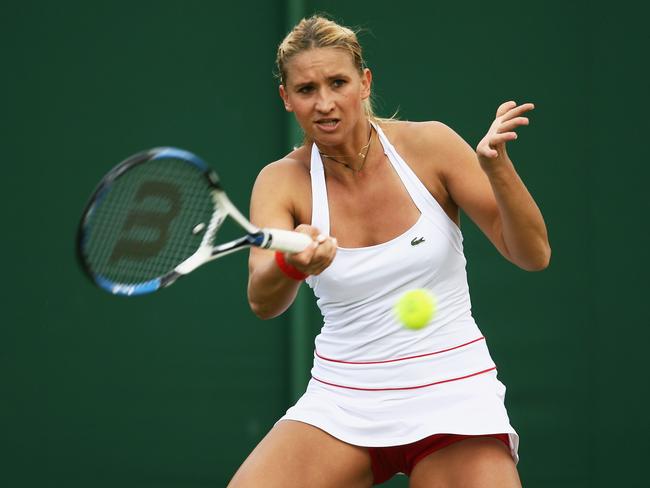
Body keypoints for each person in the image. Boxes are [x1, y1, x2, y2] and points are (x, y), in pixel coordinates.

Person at [228, 15, 550, 488]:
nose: (324, 103)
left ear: (364, 82)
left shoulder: (431, 145)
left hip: (453, 391)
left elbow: (533, 253)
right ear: (286, 99)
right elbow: (263, 300)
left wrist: (498, 171)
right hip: (342, 401)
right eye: (305, 90)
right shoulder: (280, 181)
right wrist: (290, 264)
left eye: (337, 82)